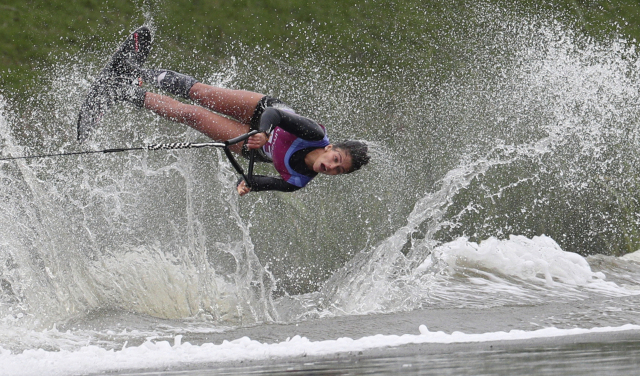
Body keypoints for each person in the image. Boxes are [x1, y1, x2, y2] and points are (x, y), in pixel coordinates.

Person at [107, 65, 370, 195]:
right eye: (336, 160)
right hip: (262, 111)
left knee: (193, 115)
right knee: (202, 94)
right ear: (330, 148)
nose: (331, 167)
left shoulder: (296, 182)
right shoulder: (313, 134)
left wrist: (244, 185)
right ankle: (134, 71)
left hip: (252, 146)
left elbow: (255, 181)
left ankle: (122, 91)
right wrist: (266, 132)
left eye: (338, 170)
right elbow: (274, 115)